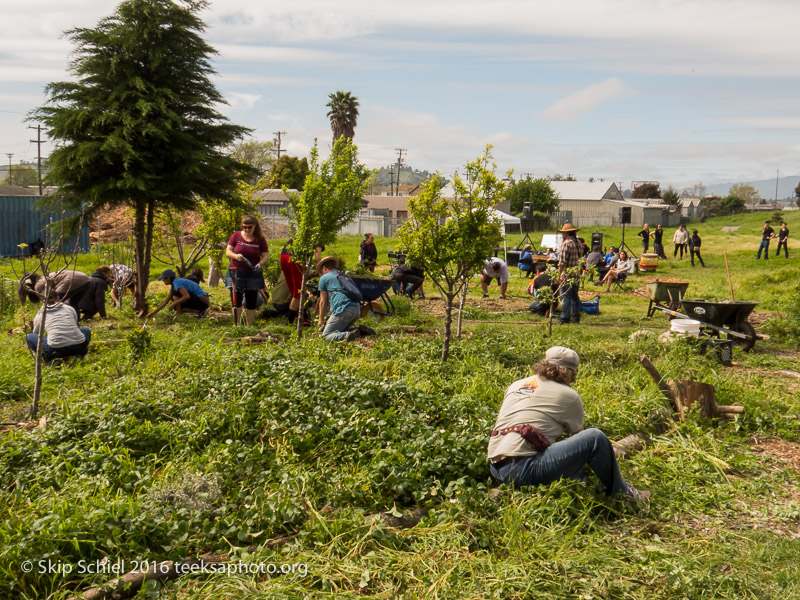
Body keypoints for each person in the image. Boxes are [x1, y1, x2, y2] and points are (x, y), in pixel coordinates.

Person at [488, 346, 649, 502]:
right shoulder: (569, 395)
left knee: (576, 473)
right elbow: (580, 440)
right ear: (570, 373)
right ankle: (621, 493)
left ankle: (577, 481)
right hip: (525, 469)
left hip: (496, 467)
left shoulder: (516, 384)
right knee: (595, 438)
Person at [226, 215, 268, 326]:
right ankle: (237, 324)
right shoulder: (236, 236)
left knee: (251, 299)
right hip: (236, 271)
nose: (247, 230)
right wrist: (235, 256)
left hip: (253, 273)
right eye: (245, 227)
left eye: (250, 227)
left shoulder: (260, 239)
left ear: (255, 226)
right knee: (236, 299)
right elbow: (228, 251)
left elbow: (265, 256)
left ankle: (249, 326)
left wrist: (260, 264)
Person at [26, 292, 91, 363]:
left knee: (30, 337)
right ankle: (79, 355)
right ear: (58, 298)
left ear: (42, 301)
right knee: (85, 330)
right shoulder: (69, 308)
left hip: (56, 349)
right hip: (79, 346)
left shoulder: (41, 314)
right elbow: (75, 325)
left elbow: (37, 333)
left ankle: (48, 359)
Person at [316, 256, 364, 342]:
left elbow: (323, 302)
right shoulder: (343, 276)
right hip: (356, 310)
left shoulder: (324, 278)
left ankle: (347, 335)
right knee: (339, 330)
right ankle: (359, 330)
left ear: (324, 268)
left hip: (343, 310)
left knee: (326, 335)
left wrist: (320, 320)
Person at [280, 239, 323, 325]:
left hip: (284, 255)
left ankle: (304, 318)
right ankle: (290, 322)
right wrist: (321, 276)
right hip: (295, 258)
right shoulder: (318, 235)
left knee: (295, 291)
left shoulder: (307, 230)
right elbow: (317, 258)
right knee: (298, 293)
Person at [144, 269, 210, 318]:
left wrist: (173, 303)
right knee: (176, 305)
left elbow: (187, 296)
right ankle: (201, 312)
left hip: (203, 301)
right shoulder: (174, 285)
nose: (163, 281)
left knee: (176, 296)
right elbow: (165, 302)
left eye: (164, 279)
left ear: (168, 278)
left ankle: (178, 315)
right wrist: (151, 314)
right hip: (202, 302)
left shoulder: (177, 282)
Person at [20, 270, 92, 311]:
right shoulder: (45, 277)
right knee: (73, 304)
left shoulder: (38, 285)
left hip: (71, 281)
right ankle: (76, 324)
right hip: (85, 279)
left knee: (53, 305)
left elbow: (47, 304)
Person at [557, 223, 582, 324]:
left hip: (567, 275)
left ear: (567, 233)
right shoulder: (579, 243)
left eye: (563, 233)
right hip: (576, 275)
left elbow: (562, 262)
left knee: (566, 297)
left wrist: (558, 276)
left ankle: (565, 318)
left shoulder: (566, 244)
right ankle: (576, 317)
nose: (562, 235)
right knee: (574, 296)